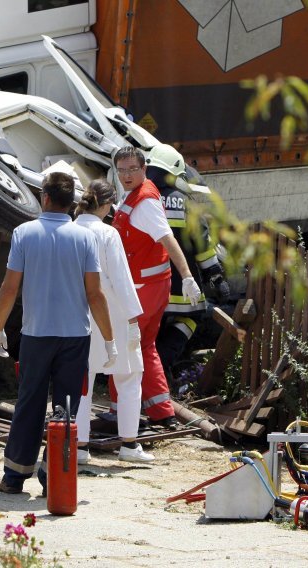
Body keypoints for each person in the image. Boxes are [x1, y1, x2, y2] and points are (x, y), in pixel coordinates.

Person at [0, 171, 116, 495]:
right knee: (67, 407)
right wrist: (109, 337)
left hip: (36, 334)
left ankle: (15, 476)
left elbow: (9, 288)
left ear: (45, 197)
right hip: (75, 336)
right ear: (70, 201)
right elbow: (95, 294)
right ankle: (55, 479)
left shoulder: (24, 233)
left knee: (29, 402)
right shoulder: (84, 238)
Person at [109, 146, 201, 428]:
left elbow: (167, 238)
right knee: (144, 346)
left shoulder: (145, 201)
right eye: (122, 170)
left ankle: (121, 412)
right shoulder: (139, 194)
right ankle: (162, 412)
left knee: (125, 347)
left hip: (142, 288)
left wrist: (186, 275)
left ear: (144, 169)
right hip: (149, 285)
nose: (126, 175)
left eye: (132, 169)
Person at [74, 180, 154, 463]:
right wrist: (134, 315)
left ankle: (80, 447)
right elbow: (121, 278)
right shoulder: (108, 233)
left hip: (77, 314)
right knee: (130, 376)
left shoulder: (69, 231)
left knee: (81, 381)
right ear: (108, 205)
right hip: (113, 312)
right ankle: (130, 445)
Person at [146, 144, 229, 388]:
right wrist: (215, 276)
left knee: (149, 334)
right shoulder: (185, 204)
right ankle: (160, 368)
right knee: (191, 320)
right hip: (182, 288)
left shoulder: (135, 199)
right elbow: (202, 245)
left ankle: (152, 374)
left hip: (145, 289)